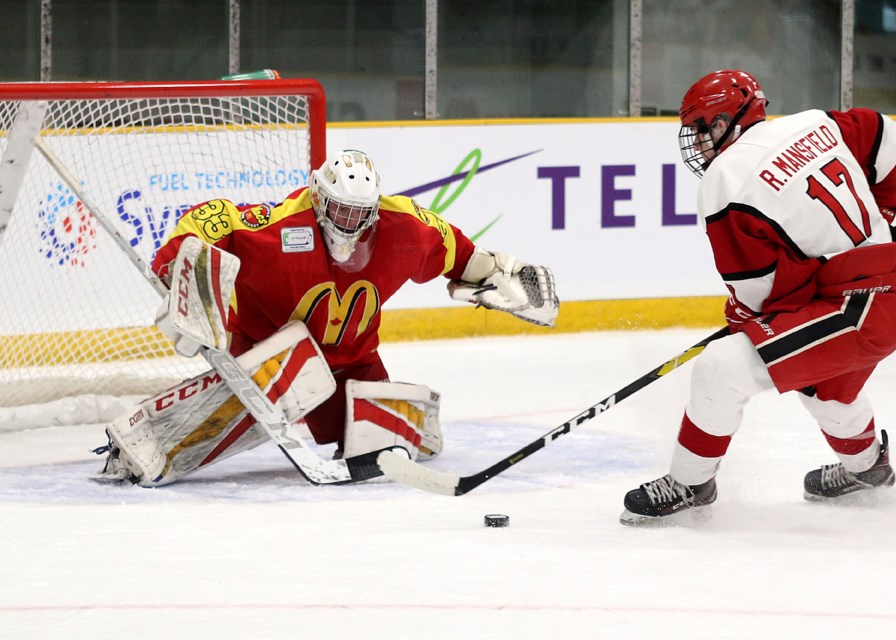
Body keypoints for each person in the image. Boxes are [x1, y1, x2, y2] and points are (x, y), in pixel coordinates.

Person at [98, 149, 558, 486]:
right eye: (340, 208)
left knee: (395, 443)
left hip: (354, 364)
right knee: (298, 361)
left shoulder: (405, 230)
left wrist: (501, 273)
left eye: (360, 212)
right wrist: (182, 271)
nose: (349, 221)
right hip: (271, 353)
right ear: (319, 197)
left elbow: (460, 254)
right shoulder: (280, 227)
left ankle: (381, 423)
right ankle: (144, 442)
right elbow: (206, 221)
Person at [620, 70, 896, 524]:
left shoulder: (724, 178)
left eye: (705, 127)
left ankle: (690, 483)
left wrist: (744, 319)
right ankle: (868, 469)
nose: (699, 142)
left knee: (723, 367)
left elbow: (763, 291)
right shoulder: (813, 122)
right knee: (825, 388)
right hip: (881, 293)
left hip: (857, 308)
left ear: (730, 120)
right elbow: (887, 135)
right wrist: (890, 210)